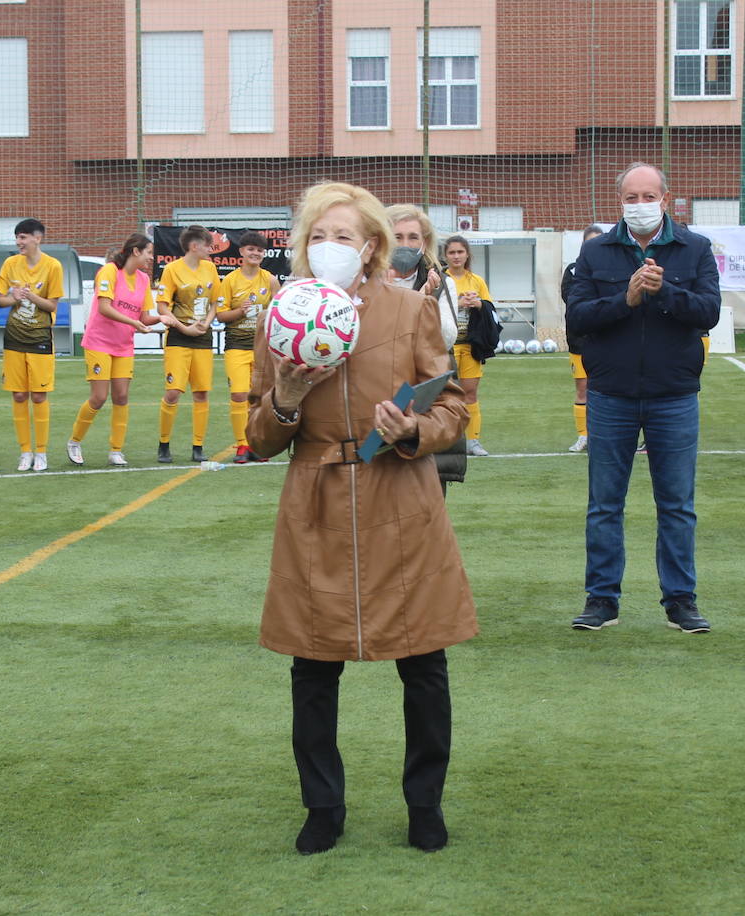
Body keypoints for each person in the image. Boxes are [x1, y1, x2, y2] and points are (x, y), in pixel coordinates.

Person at [246, 181, 476, 856]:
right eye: (317, 236)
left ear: (371, 246)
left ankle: (425, 806)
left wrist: (412, 427)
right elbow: (261, 437)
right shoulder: (280, 315)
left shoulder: (410, 312)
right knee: (312, 669)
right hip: (315, 500)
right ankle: (323, 807)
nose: (328, 248)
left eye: (342, 236)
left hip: (400, 496)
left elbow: (452, 406)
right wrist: (285, 401)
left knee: (424, 662)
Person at [565, 162, 720, 634]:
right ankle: (601, 600)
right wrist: (626, 300)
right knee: (604, 504)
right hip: (610, 395)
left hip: (673, 396)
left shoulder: (695, 248)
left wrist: (665, 291)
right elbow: (578, 318)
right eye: (630, 198)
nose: (639, 205)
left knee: (676, 504)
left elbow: (709, 312)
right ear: (620, 203)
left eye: (647, 196)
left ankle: (680, 601)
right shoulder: (596, 252)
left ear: (666, 199)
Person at [67, 233, 164, 466]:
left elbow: (144, 317)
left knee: (121, 396)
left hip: (123, 346)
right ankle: (74, 441)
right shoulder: (109, 271)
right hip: (98, 342)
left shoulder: (142, 279)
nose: (151, 258)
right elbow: (104, 308)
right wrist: (133, 323)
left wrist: (165, 318)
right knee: (99, 398)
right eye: (149, 252)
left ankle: (116, 450)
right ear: (136, 251)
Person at [386, 205, 466, 489]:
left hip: (425, 398)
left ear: (425, 242)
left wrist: (425, 302)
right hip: (379, 393)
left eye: (412, 237)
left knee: (428, 503)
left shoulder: (443, 284)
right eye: (397, 237)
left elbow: (444, 339)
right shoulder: (366, 282)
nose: (405, 245)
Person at [0, 218, 64, 472]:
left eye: (23, 237)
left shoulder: (53, 266)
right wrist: (12, 297)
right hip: (13, 339)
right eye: (17, 237)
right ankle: (25, 451)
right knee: (18, 394)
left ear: (38, 238)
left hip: (40, 339)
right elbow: (0, 300)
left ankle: (42, 452)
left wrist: (31, 296)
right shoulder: (10, 264)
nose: (19, 242)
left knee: (38, 395)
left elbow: (52, 305)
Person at [155, 225, 224, 463]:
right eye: (207, 245)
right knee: (173, 392)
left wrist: (206, 322)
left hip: (203, 339)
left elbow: (216, 302)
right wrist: (184, 327)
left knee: (202, 392)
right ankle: (164, 444)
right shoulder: (172, 270)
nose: (210, 250)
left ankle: (198, 446)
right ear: (194, 246)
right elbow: (162, 306)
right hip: (178, 337)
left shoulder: (210, 268)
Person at [218, 231, 278, 463]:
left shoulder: (270, 280)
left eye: (260, 250)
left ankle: (258, 444)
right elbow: (222, 315)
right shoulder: (230, 280)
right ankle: (242, 445)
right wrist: (240, 311)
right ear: (242, 251)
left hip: (263, 347)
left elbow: (279, 311)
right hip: (237, 345)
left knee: (261, 397)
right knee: (239, 393)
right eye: (251, 249)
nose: (255, 253)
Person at [442, 234, 493, 456]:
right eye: (451, 252)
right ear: (445, 255)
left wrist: (478, 304)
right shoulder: (440, 279)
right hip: (445, 347)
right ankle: (449, 441)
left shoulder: (476, 280)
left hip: (470, 346)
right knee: (445, 395)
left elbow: (490, 308)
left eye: (460, 252)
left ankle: (473, 441)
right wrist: (457, 303)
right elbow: (430, 307)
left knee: (470, 393)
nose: (456, 256)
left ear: (467, 254)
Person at [561, 225, 604, 452]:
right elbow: (572, 300)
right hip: (579, 340)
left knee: (607, 388)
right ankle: (583, 436)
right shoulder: (573, 270)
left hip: (607, 339)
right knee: (582, 387)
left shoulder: (613, 269)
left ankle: (603, 434)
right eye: (589, 242)